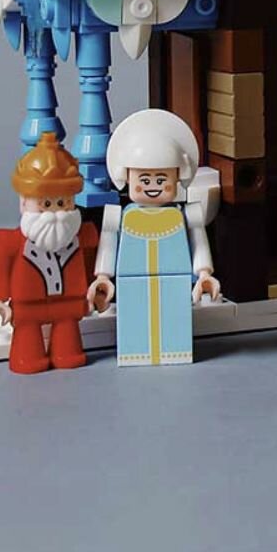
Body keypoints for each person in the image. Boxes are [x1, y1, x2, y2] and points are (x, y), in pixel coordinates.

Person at [87, 109, 221, 367]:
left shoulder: (186, 214)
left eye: (161, 178)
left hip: (175, 284)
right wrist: (103, 277)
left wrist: (204, 274)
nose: (153, 185)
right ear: (126, 176)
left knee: (173, 330)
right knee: (135, 330)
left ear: (178, 175)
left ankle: (174, 353)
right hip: (131, 286)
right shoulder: (117, 215)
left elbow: (198, 243)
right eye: (144, 178)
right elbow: (108, 245)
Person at [0, 132, 99, 374]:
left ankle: (66, 355)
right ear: (23, 202)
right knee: (27, 346)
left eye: (63, 203)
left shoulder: (81, 235)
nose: (56, 212)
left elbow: (91, 263)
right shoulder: (11, 241)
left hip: (69, 304)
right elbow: (0, 268)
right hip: (28, 307)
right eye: (46, 204)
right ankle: (28, 359)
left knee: (68, 343)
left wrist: (94, 287)